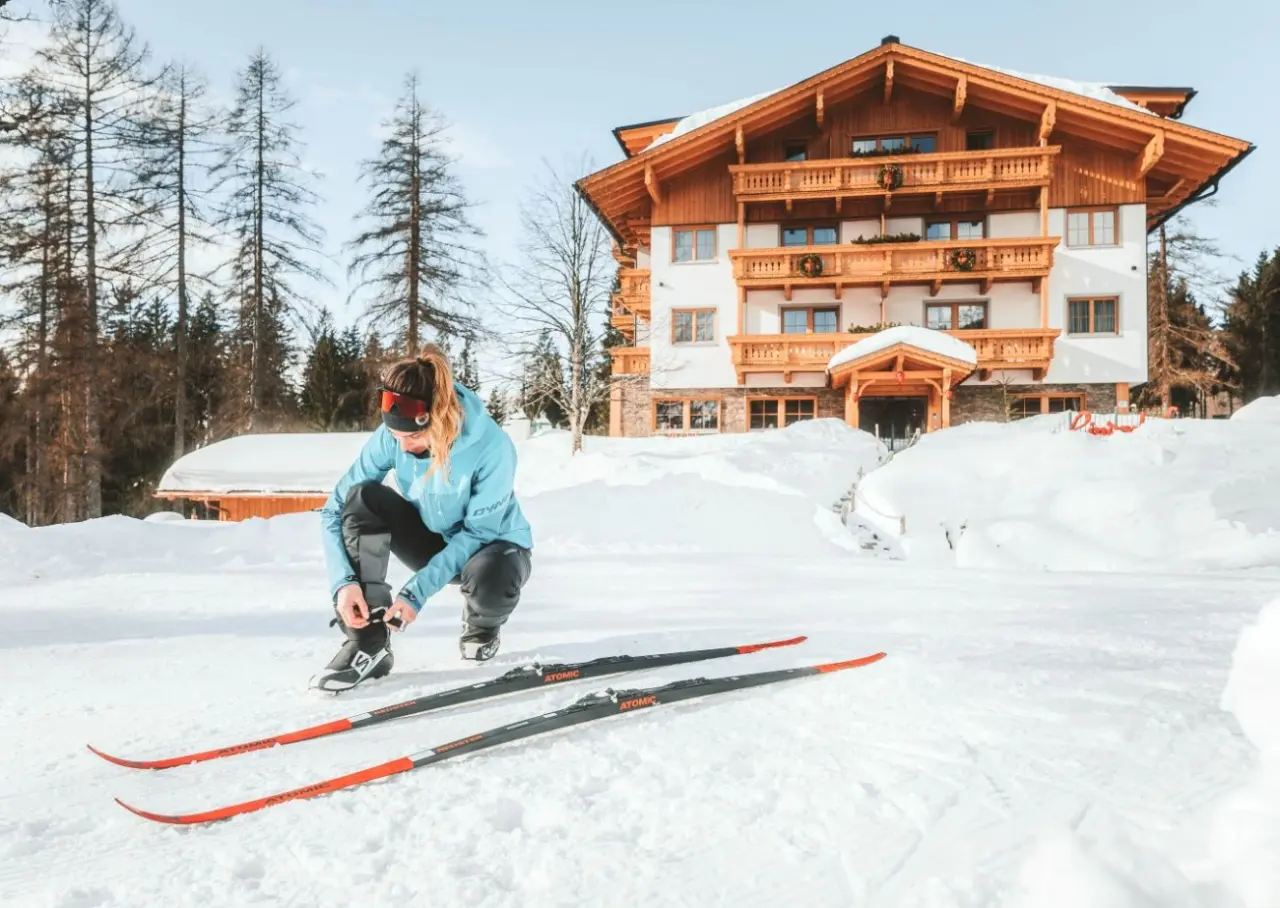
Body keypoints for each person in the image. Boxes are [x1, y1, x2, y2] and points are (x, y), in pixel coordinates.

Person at [311, 344, 533, 692]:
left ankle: (482, 624)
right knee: (363, 499)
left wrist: (415, 594)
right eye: (395, 437)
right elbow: (334, 509)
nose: (401, 447)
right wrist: (344, 584)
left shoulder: (493, 447)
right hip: (432, 540)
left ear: (439, 417)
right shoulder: (393, 438)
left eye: (413, 436)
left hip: (492, 547)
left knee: (491, 573)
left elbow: (477, 534)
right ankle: (368, 642)